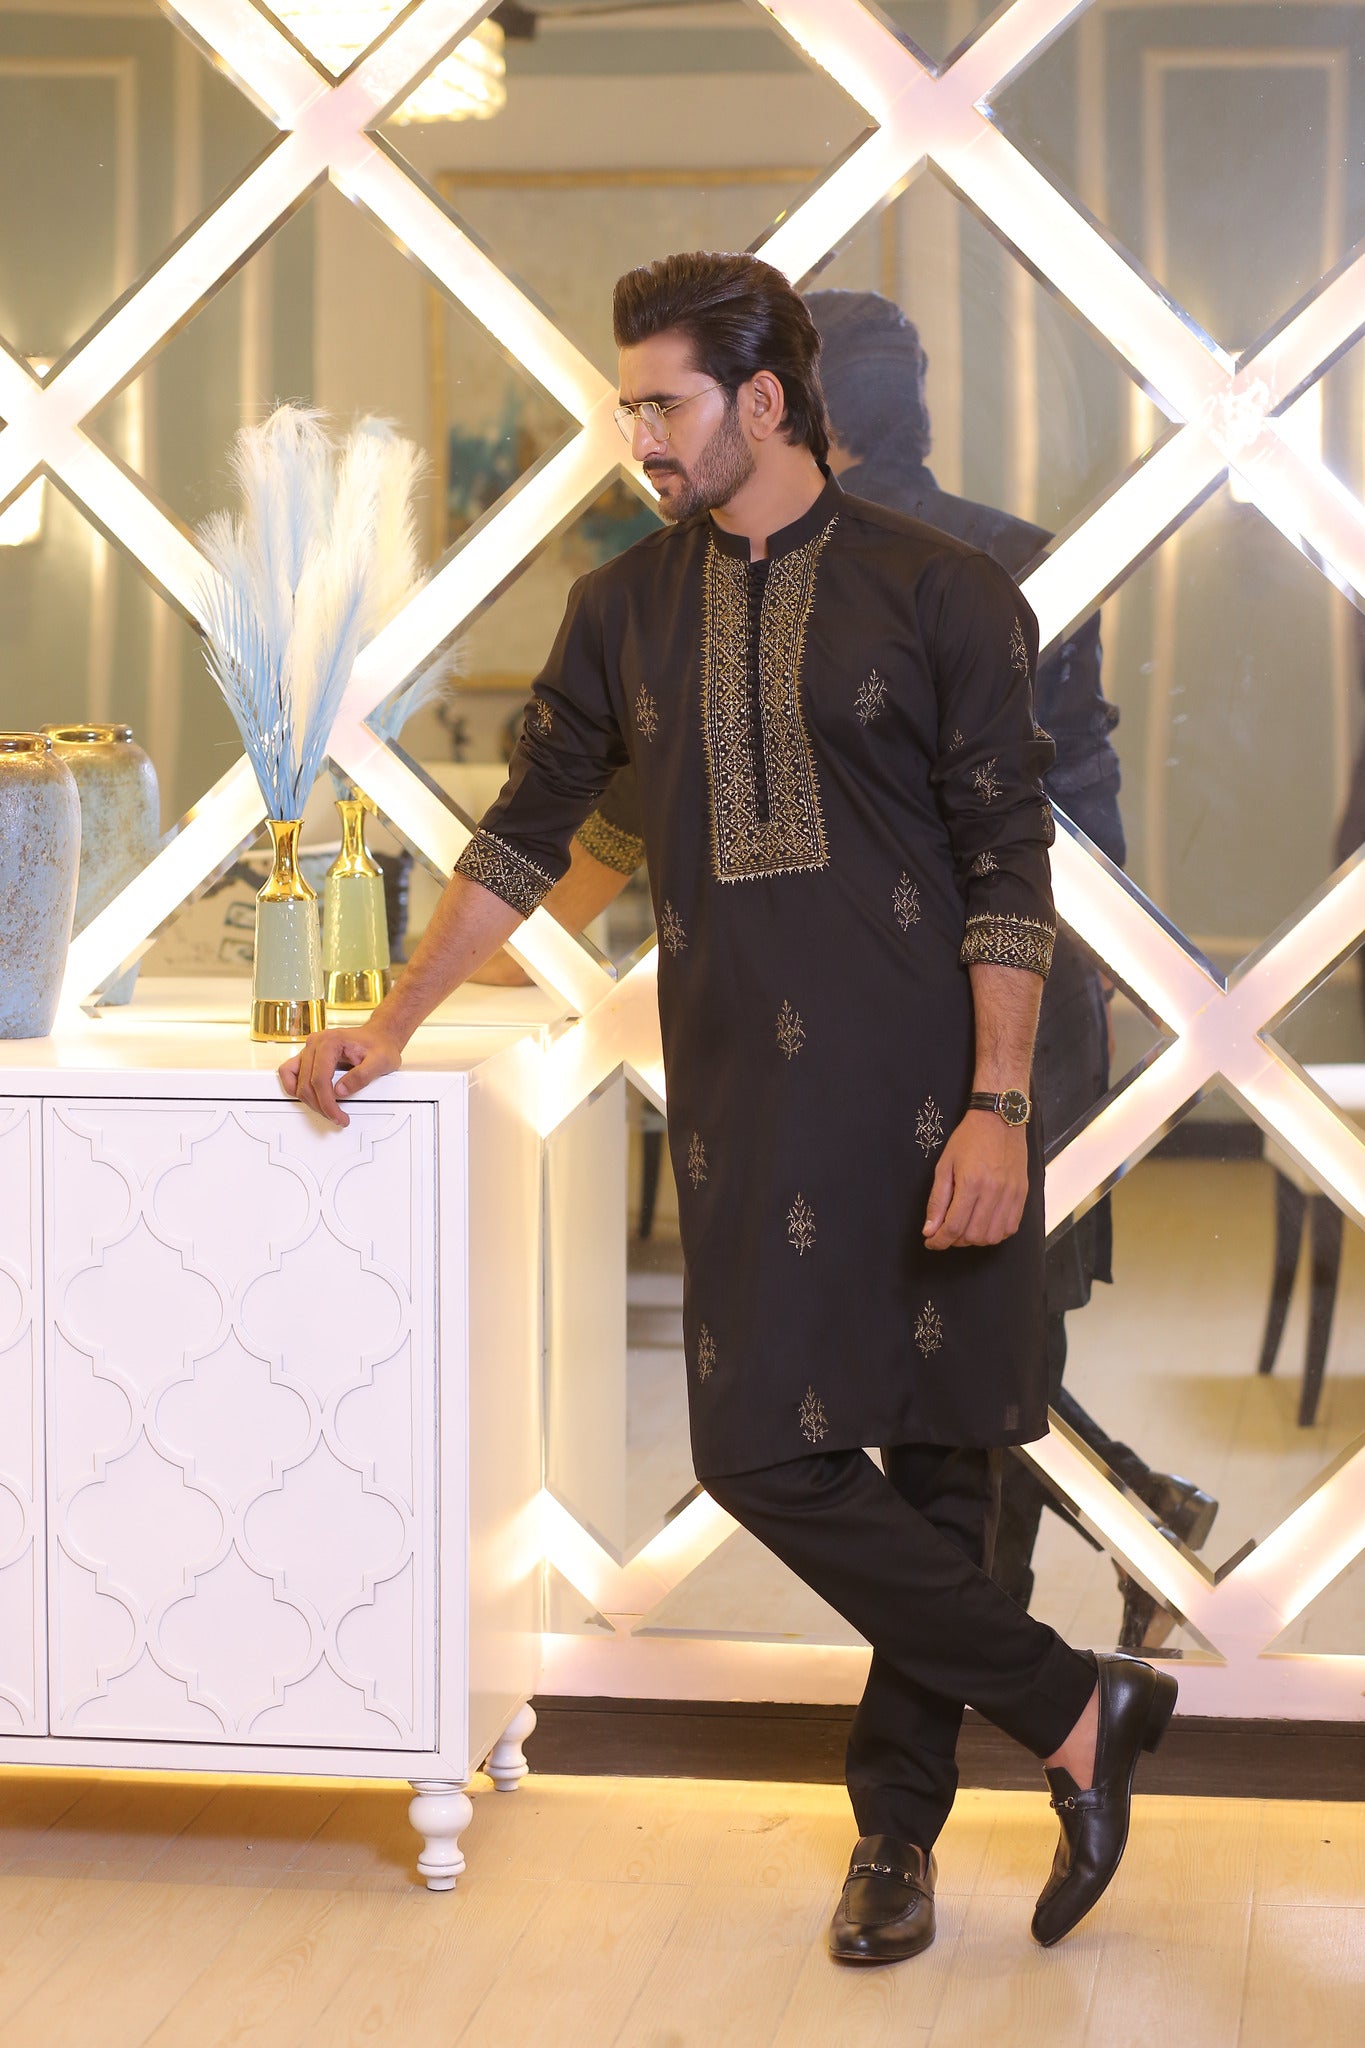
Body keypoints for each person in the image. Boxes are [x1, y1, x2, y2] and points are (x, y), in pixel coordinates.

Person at [282, 251, 1177, 1963]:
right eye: (628, 404)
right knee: (760, 1448)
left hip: (950, 1089)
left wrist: (1000, 1103)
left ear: (764, 400)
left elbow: (1010, 864)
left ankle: (894, 1841)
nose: (637, 435)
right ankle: (1079, 1710)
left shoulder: (945, 590)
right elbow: (526, 838)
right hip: (751, 1096)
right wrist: (388, 1019)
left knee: (945, 1463)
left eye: (662, 403)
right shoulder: (620, 611)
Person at [479, 287, 1218, 1648]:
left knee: (959, 1368)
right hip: (997, 1002)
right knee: (954, 1369)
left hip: (963, 1013)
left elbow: (1033, 818)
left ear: (791, 401)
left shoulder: (916, 569)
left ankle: (1013, 1667)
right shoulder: (929, 554)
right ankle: (1091, 1580)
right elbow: (1083, 793)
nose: (653, 432)